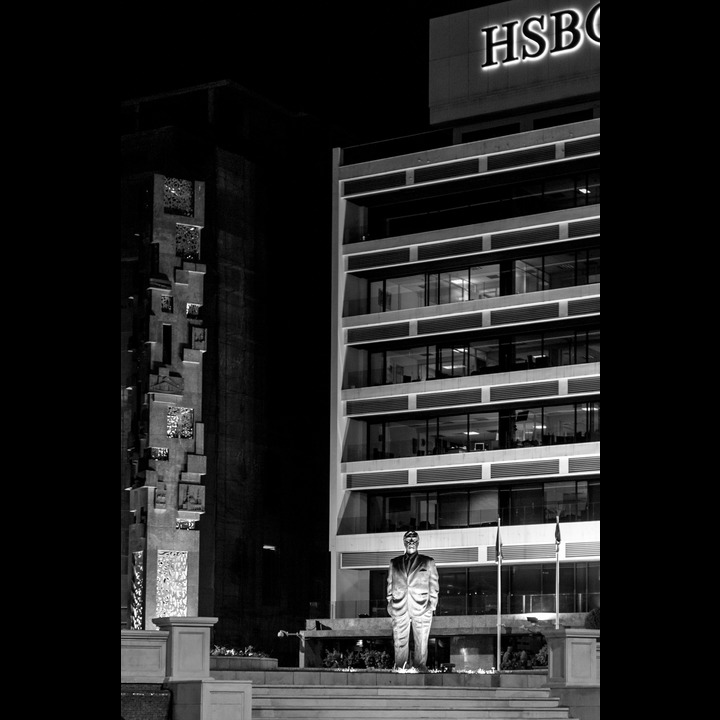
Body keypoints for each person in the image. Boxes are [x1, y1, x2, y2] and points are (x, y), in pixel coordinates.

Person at [386, 530, 439, 671]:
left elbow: (434, 585)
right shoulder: (394, 562)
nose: (411, 542)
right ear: (404, 542)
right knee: (399, 641)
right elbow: (390, 584)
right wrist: (390, 602)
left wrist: (432, 605)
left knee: (421, 641)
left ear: (418, 542)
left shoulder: (427, 562)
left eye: (414, 539)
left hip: (422, 607)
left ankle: (420, 666)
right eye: (408, 539)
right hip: (399, 606)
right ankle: (400, 665)